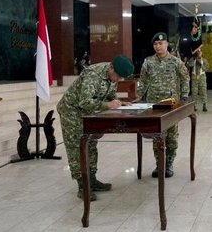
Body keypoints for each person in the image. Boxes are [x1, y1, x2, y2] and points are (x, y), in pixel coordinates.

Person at [57, 54, 134, 201]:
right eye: (118, 77)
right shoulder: (93, 75)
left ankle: (92, 180)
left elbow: (110, 95)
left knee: (91, 144)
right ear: (111, 67)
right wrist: (107, 105)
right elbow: (84, 101)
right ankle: (82, 186)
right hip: (71, 111)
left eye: (121, 78)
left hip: (87, 112)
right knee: (76, 146)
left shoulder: (113, 74)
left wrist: (118, 102)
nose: (119, 80)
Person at [135, 32, 190, 178]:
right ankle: (159, 164)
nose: (158, 46)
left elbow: (185, 78)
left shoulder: (175, 61)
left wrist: (184, 96)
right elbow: (143, 81)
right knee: (156, 135)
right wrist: (140, 97)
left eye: (161, 43)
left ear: (166, 44)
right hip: (154, 104)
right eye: (155, 44)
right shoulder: (148, 62)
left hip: (171, 104)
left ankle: (169, 164)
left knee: (171, 135)